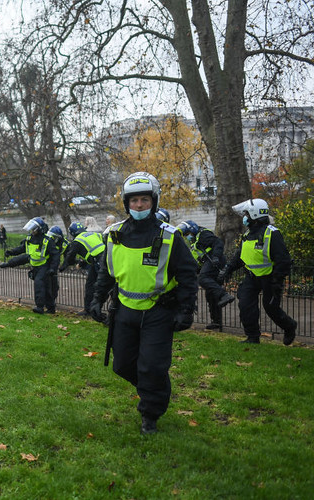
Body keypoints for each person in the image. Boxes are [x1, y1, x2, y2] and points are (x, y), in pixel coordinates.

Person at [90, 171, 198, 434]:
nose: (139, 205)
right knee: (122, 365)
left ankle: (150, 413)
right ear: (126, 203)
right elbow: (106, 271)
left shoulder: (169, 236)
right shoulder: (114, 234)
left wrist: (186, 311)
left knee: (151, 366)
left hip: (158, 311)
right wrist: (96, 299)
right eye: (134, 200)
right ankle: (155, 389)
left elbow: (187, 275)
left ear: (154, 202)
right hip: (125, 310)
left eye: (144, 200)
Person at [219, 199, 297, 345]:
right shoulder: (248, 234)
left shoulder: (272, 233)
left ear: (254, 215)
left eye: (246, 214)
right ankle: (253, 337)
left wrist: (277, 280)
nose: (245, 217)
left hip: (270, 278)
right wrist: (227, 269)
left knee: (271, 307)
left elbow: (283, 260)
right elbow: (240, 256)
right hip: (251, 277)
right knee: (246, 305)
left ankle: (289, 326)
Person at [176, 220, 235, 331]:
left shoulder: (204, 234)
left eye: (188, 234)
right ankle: (216, 322)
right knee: (211, 295)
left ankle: (224, 295)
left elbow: (218, 243)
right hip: (209, 263)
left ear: (192, 229)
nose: (187, 237)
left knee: (203, 278)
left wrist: (216, 257)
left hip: (214, 261)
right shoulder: (194, 242)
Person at [0, 217, 60, 314]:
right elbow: (22, 249)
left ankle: (40, 307)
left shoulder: (47, 240)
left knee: (39, 284)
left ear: (39, 229)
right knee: (46, 288)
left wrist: (53, 268)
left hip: (44, 266)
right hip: (35, 265)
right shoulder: (29, 239)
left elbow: (55, 255)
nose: (32, 231)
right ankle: (51, 308)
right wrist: (11, 252)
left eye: (34, 229)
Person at [60, 222, 105, 316]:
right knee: (92, 285)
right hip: (104, 259)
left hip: (98, 263)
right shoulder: (95, 234)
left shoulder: (77, 240)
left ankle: (95, 311)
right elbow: (93, 250)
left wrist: (63, 266)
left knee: (100, 286)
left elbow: (70, 256)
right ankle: (89, 310)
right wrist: (82, 262)